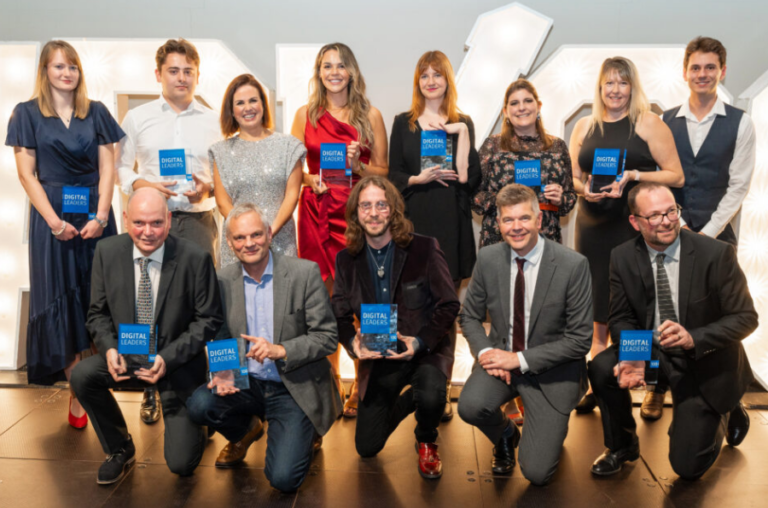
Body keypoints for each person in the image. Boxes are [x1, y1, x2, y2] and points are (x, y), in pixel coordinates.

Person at [588, 182, 757, 479]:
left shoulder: (716, 254)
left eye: (671, 211)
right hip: (655, 351)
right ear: (635, 222)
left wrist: (694, 337)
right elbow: (621, 318)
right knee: (603, 368)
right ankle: (623, 445)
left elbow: (746, 317)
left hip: (705, 358)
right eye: (654, 216)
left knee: (687, 467)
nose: (666, 221)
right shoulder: (623, 256)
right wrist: (635, 356)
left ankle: (728, 406)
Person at [5, 40, 124, 428]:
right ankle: (79, 389)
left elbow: (108, 168)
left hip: (96, 217)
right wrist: (54, 221)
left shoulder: (98, 112)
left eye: (72, 66)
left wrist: (103, 215)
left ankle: (85, 390)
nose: (67, 73)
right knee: (63, 302)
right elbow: (27, 174)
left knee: (97, 302)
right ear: (45, 71)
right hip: (51, 222)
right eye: (58, 66)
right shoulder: (25, 114)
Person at [70, 188, 223, 485]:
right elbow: (97, 314)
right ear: (126, 220)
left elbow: (209, 320)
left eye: (156, 223)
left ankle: (200, 425)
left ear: (168, 220)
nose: (148, 232)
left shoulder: (195, 258)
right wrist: (109, 348)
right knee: (82, 375)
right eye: (139, 223)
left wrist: (167, 358)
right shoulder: (107, 251)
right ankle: (119, 447)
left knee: (182, 464)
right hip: (127, 357)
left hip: (176, 364)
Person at [641, 37, 757, 421]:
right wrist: (680, 224)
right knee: (658, 308)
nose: (702, 74)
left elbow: (739, 184)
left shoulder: (741, 123)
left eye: (710, 67)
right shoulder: (665, 121)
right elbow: (660, 179)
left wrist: (704, 231)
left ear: (722, 72)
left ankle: (727, 390)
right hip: (664, 230)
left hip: (716, 235)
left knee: (717, 317)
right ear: (685, 72)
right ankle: (657, 387)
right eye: (696, 67)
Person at [188, 203, 341, 493]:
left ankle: (304, 429)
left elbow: (327, 336)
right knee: (199, 405)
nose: (249, 243)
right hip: (247, 383)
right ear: (230, 243)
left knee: (283, 480)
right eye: (240, 238)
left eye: (256, 234)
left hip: (292, 385)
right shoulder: (221, 280)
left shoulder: (304, 273)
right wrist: (223, 370)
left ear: (269, 234)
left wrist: (280, 349)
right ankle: (247, 431)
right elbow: (219, 332)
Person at [569, 56, 685, 412]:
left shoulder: (648, 123)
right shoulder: (584, 126)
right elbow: (573, 176)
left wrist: (634, 176)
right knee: (596, 307)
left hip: (631, 227)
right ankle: (599, 383)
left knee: (634, 304)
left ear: (632, 87)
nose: (615, 90)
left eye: (622, 83)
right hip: (591, 227)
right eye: (608, 83)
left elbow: (675, 175)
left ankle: (647, 382)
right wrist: (583, 190)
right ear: (600, 88)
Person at [457, 183, 592, 486]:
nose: (516, 227)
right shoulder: (489, 259)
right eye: (508, 220)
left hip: (552, 372)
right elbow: (469, 317)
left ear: (539, 220)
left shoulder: (573, 265)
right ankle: (506, 433)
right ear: (499, 224)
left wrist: (516, 360)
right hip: (501, 360)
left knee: (536, 472)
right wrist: (486, 355)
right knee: (470, 406)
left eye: (524, 218)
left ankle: (550, 426)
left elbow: (580, 340)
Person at [116, 38, 221, 424]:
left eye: (188, 71)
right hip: (150, 226)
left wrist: (207, 187)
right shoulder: (137, 118)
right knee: (149, 304)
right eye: (173, 71)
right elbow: (121, 169)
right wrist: (144, 185)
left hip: (196, 220)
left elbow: (221, 175)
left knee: (200, 308)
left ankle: (199, 388)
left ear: (197, 75)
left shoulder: (213, 119)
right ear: (158, 74)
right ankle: (149, 387)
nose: (181, 78)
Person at [332, 176, 459, 479]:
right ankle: (418, 398)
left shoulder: (424, 248)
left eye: (381, 205)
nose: (373, 213)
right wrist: (354, 345)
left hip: (424, 349)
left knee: (430, 394)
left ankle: (426, 438)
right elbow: (338, 315)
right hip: (379, 355)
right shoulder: (346, 259)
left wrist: (420, 342)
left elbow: (449, 305)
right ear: (356, 212)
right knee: (366, 447)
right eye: (366, 206)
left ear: (393, 210)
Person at [291, 42, 388, 418]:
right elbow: (294, 168)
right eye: (326, 66)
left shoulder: (371, 115)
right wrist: (309, 179)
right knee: (324, 306)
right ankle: (331, 382)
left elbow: (383, 170)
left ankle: (366, 383)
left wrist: (358, 166)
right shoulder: (305, 114)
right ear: (319, 72)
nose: (333, 72)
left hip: (358, 217)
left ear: (351, 72)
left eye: (340, 66)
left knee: (367, 301)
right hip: (316, 215)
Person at [388, 50, 481, 422]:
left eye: (437, 75)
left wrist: (458, 134)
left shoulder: (463, 122)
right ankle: (409, 385)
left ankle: (439, 391)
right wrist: (416, 179)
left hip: (451, 225)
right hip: (414, 224)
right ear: (418, 82)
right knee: (411, 308)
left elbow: (468, 179)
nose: (431, 81)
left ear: (447, 80)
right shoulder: (403, 123)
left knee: (446, 309)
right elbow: (393, 174)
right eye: (424, 75)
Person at [210, 74, 305, 266]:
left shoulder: (289, 146)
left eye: (253, 100)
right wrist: (246, 236)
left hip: (280, 241)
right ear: (232, 110)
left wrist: (268, 232)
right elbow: (222, 202)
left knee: (283, 295)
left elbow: (292, 196)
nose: (248, 108)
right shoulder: (220, 151)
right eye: (240, 103)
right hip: (239, 246)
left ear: (263, 104)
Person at [474, 79, 576, 245]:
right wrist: (503, 199)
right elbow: (474, 198)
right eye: (515, 103)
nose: (522, 107)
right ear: (506, 111)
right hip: (500, 241)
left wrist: (560, 199)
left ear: (539, 106)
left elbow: (570, 198)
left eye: (528, 101)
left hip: (546, 239)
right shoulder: (492, 146)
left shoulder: (557, 147)